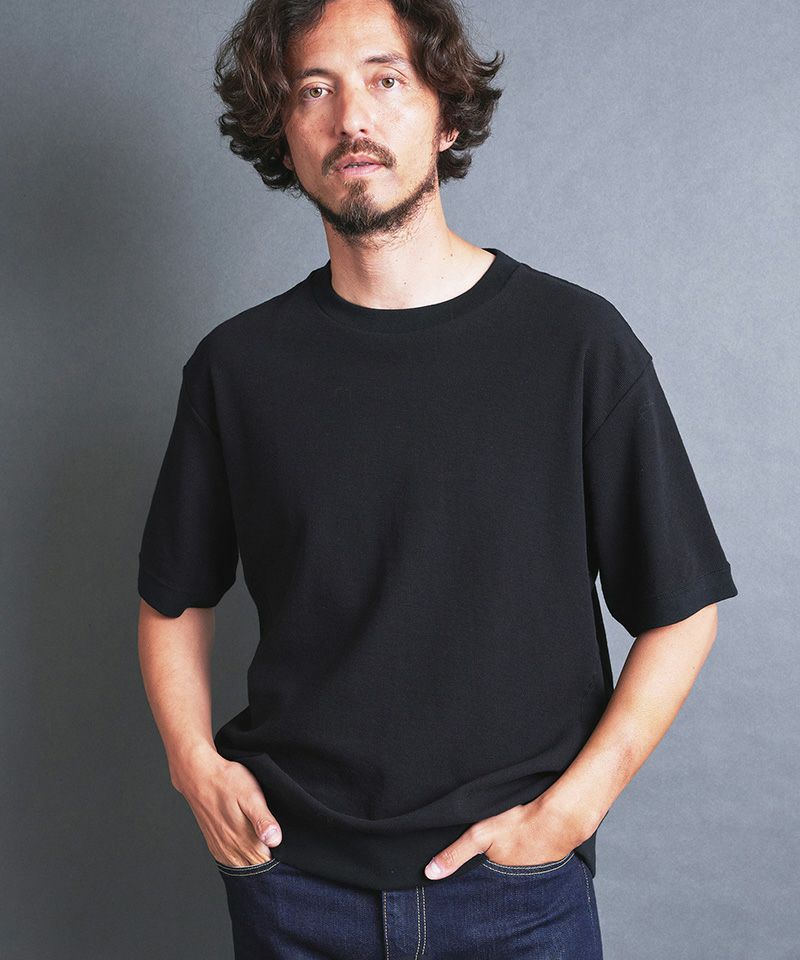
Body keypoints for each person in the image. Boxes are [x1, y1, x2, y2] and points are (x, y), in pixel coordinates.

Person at [136, 0, 738, 957]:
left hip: (517, 895)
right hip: (294, 889)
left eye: (387, 79)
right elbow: (173, 597)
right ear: (283, 132)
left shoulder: (576, 344)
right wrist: (192, 766)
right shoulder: (236, 369)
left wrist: (573, 812)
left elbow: (683, 606)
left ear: (447, 115)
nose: (352, 118)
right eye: (314, 89)